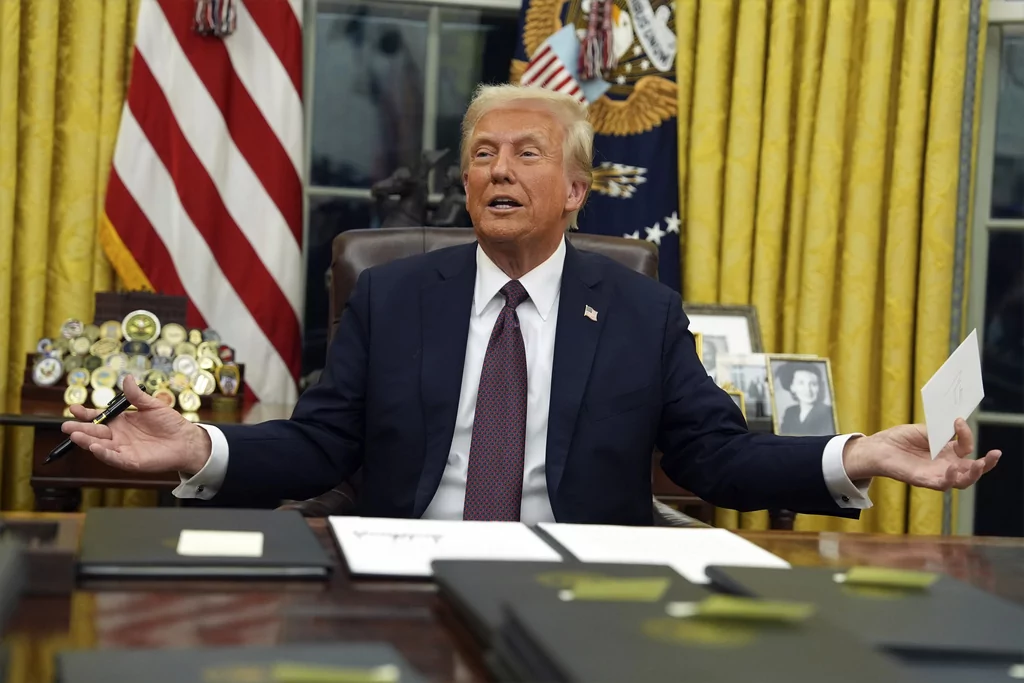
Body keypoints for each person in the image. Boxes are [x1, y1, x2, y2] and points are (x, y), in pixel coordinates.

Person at [61, 84, 1001, 526]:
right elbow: (320, 445)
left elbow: (714, 455)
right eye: (481, 154)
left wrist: (859, 454)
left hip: (581, 581)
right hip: (403, 567)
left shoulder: (639, 312)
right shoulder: (393, 299)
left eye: (526, 153)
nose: (498, 170)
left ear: (579, 190)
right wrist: (203, 446)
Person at [776, 362, 835, 437]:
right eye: (801, 383)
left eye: (813, 384)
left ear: (819, 387)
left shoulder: (828, 412)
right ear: (792, 387)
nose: (808, 390)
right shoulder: (790, 412)